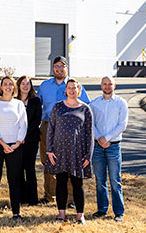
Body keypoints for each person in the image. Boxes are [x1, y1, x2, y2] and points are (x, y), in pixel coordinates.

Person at [37, 56, 90, 205]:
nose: (59, 69)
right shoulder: (45, 86)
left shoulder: (74, 85)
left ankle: (71, 198)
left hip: (69, 128)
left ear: (67, 68)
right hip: (48, 126)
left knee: (70, 161)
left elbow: (86, 105)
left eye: (62, 66)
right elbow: (36, 105)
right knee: (48, 160)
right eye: (56, 66)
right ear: (53, 68)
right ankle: (49, 195)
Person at [46, 78, 94, 225]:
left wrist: (88, 155)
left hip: (78, 152)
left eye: (75, 88)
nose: (72, 90)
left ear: (79, 91)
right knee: (60, 182)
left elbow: (90, 134)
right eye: (69, 88)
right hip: (59, 151)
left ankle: (80, 216)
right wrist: (49, 150)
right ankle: (61, 214)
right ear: (65, 90)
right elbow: (51, 130)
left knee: (77, 184)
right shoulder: (58, 107)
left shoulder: (85, 109)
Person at [0, 76, 27, 220]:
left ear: (14, 87)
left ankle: (16, 212)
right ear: (1, 87)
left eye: (11, 84)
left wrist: (17, 143)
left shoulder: (19, 104)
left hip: (15, 146)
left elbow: (23, 124)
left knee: (14, 179)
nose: (8, 87)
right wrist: (3, 144)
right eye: (5, 84)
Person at [90, 76, 128, 223]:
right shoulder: (94, 103)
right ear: (101, 85)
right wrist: (100, 137)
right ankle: (102, 209)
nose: (107, 86)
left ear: (114, 85)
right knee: (100, 180)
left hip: (113, 146)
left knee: (115, 180)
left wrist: (107, 137)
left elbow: (122, 124)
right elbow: (91, 123)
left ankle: (119, 212)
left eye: (109, 84)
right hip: (98, 146)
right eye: (104, 84)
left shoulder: (121, 103)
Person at [16, 75, 42, 206]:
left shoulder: (35, 101)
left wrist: (24, 136)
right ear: (18, 86)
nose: (25, 86)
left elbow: (36, 120)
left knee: (30, 168)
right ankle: (21, 197)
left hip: (31, 139)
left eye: (28, 84)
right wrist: (19, 137)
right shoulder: (14, 100)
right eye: (23, 84)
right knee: (19, 168)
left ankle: (33, 198)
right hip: (16, 140)